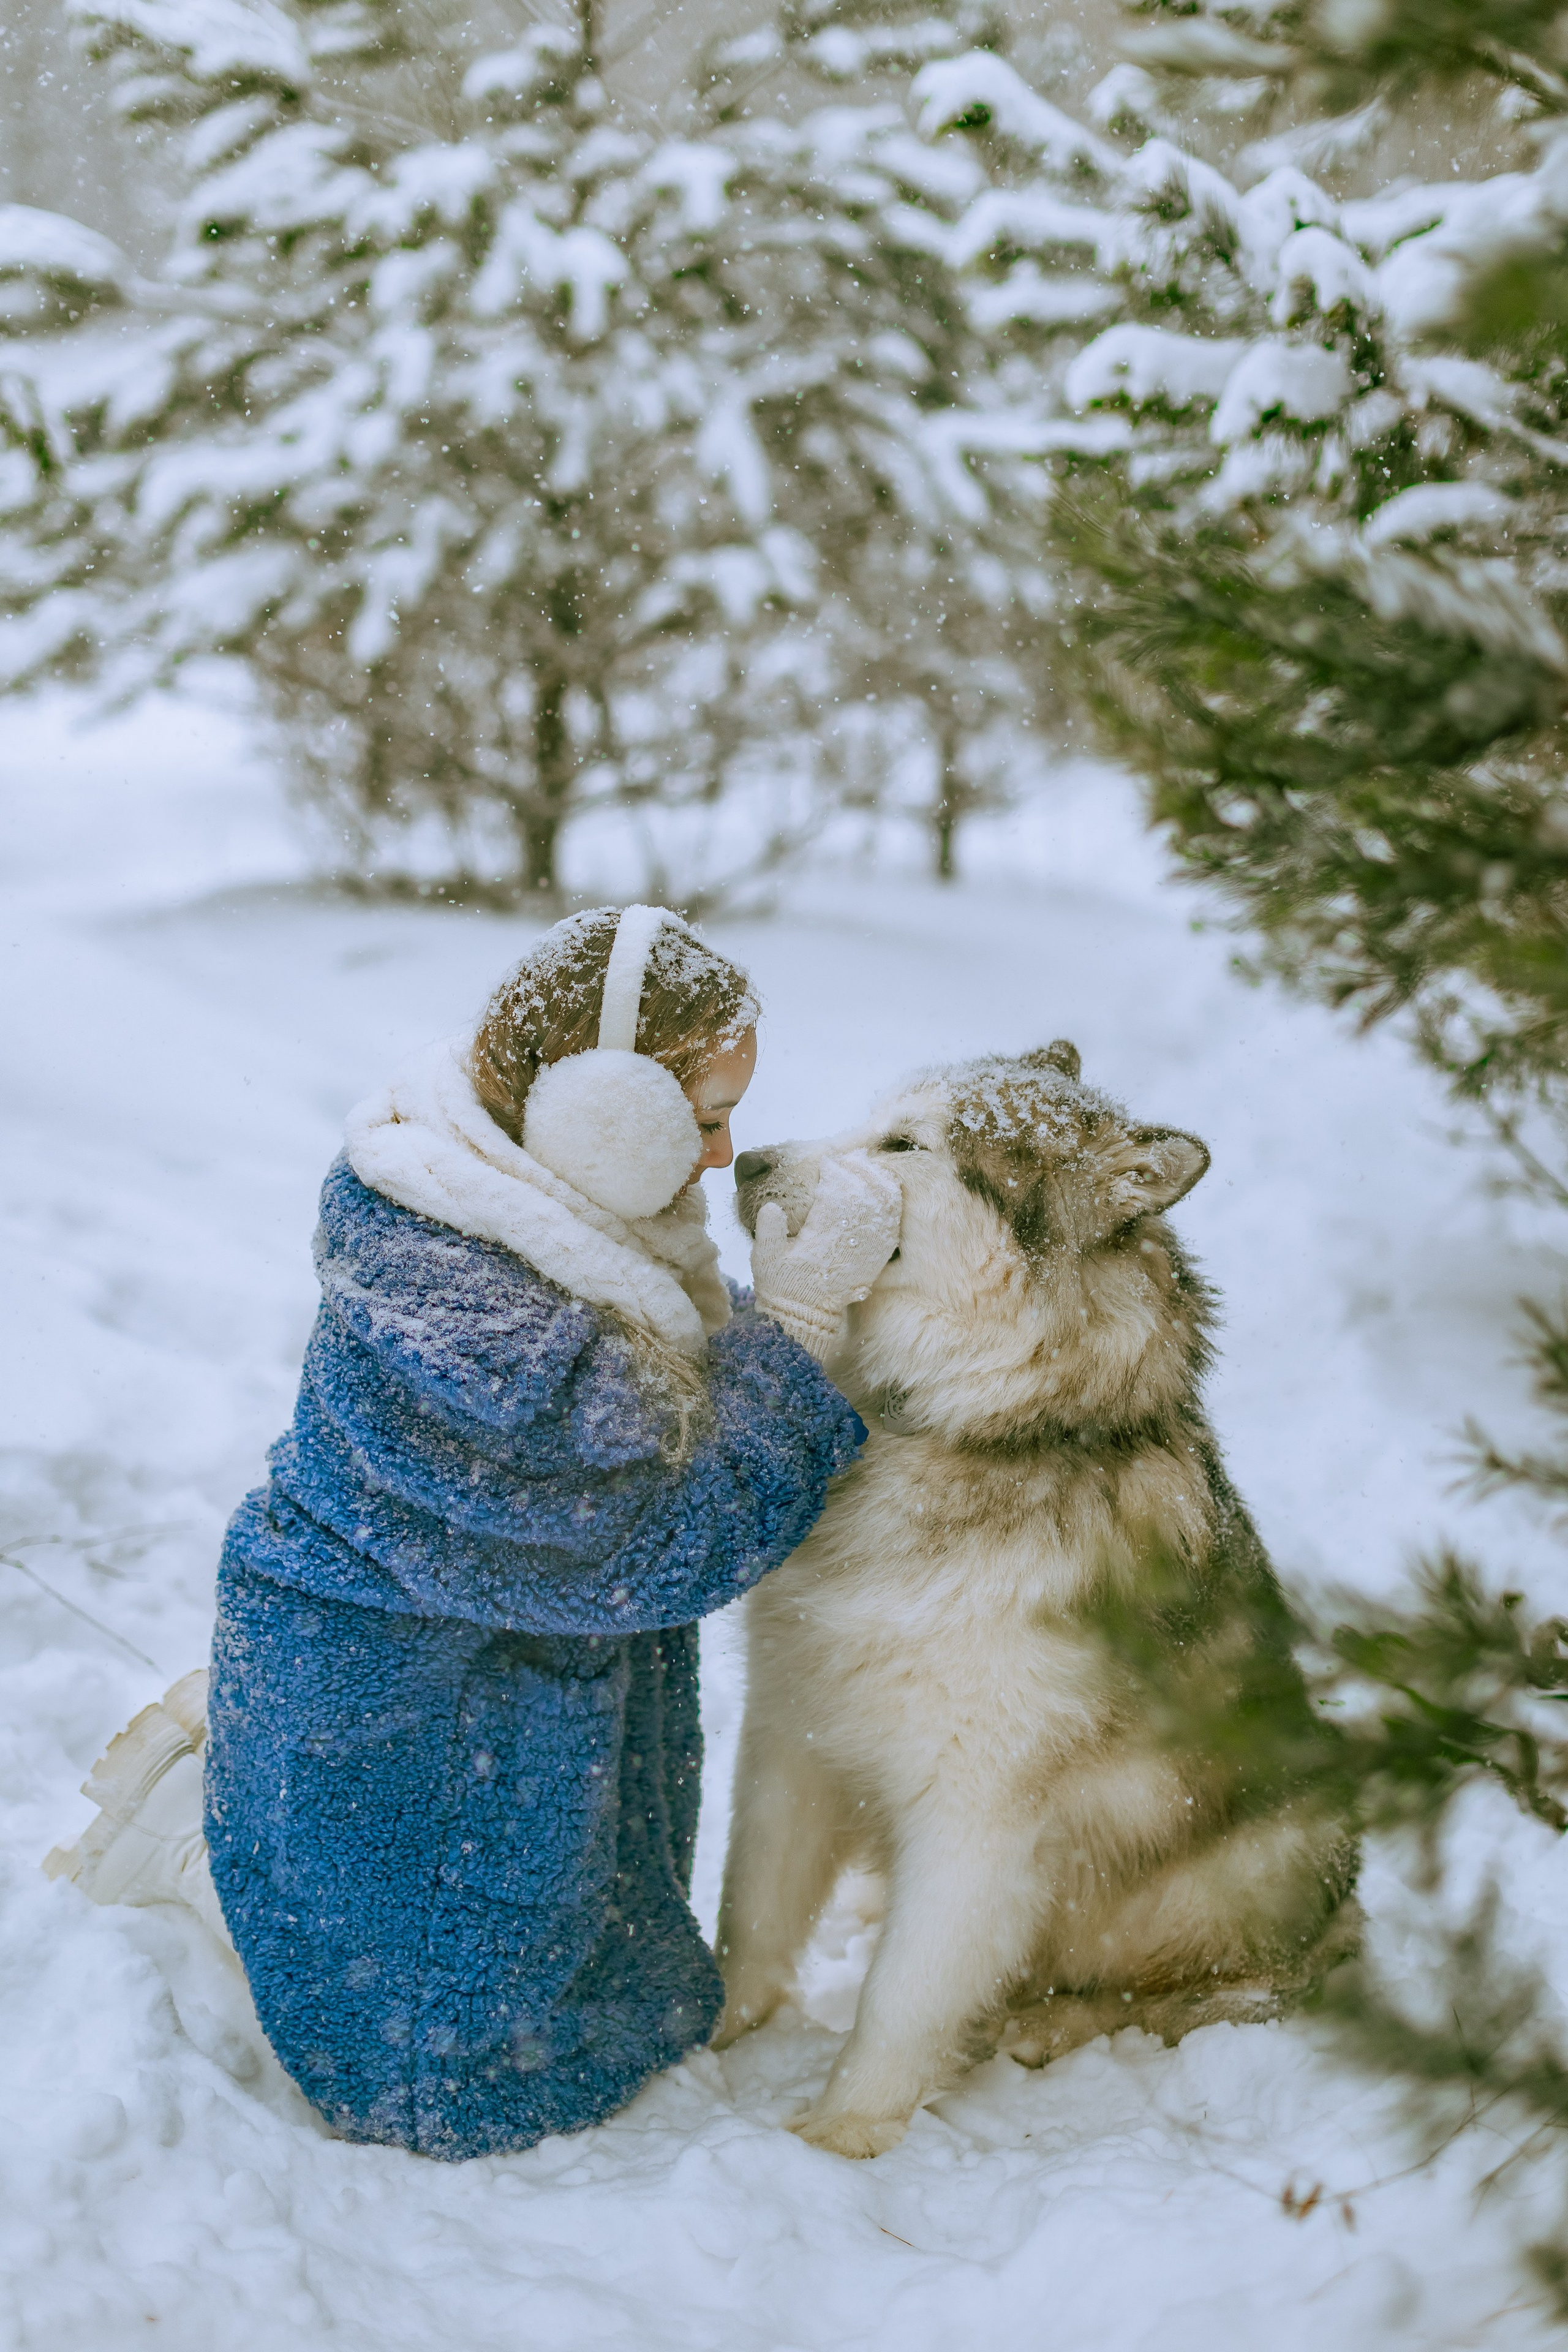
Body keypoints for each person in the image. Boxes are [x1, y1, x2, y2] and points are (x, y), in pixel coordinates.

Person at [46, 905, 902, 2160]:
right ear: (601, 1115)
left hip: (465, 1674)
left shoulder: (520, 1198)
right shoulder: (482, 1344)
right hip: (412, 1708)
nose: (721, 1160)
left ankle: (259, 1837)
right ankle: (207, 1844)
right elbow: (659, 1554)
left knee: (612, 1988)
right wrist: (804, 1328)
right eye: (702, 1121)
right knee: (445, 2087)